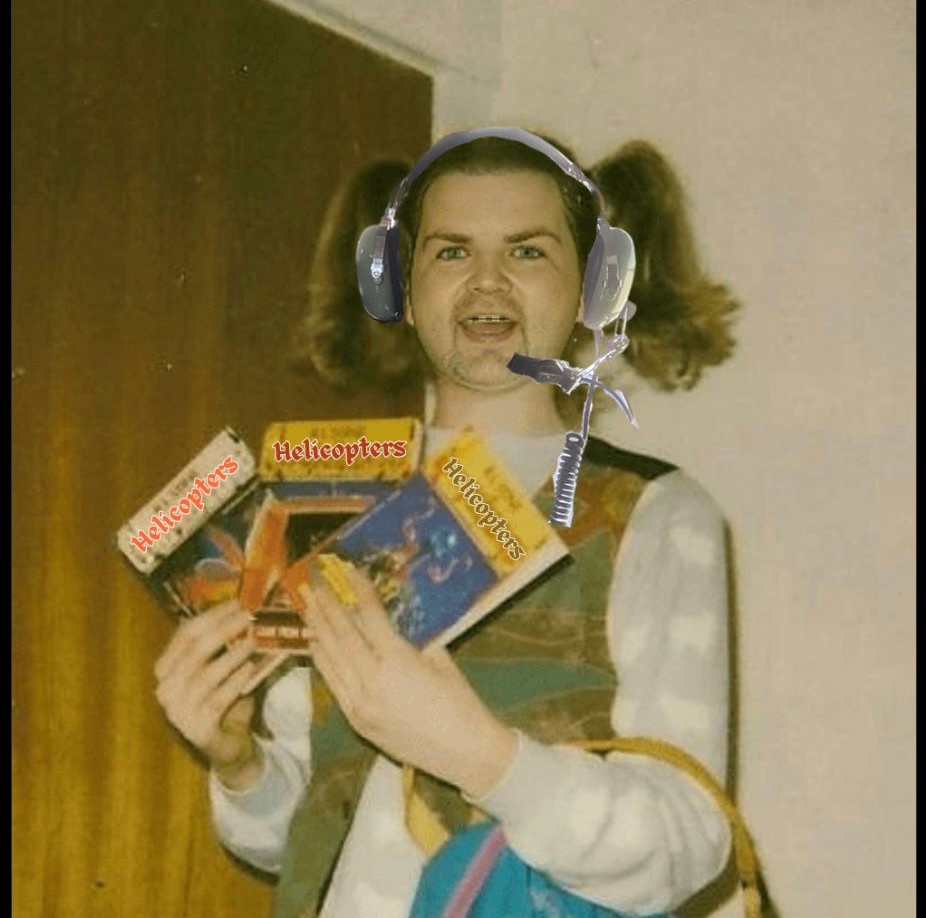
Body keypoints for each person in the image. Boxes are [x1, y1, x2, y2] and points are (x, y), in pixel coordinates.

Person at [154, 131, 741, 918]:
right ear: (403, 285)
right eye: (452, 251)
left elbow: (688, 841)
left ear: (591, 286)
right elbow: (298, 832)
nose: (487, 281)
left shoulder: (658, 512)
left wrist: (484, 757)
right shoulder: (331, 497)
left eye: (528, 251)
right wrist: (238, 763)